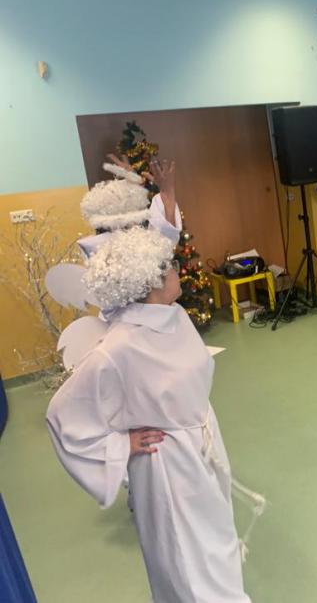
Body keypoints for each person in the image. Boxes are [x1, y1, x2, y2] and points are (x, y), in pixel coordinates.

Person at [47, 225, 253, 602]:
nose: (177, 269)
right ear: (150, 281)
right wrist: (120, 444)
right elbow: (64, 415)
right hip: (167, 465)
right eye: (170, 265)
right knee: (186, 559)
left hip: (202, 448)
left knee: (215, 544)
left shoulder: (175, 316)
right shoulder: (119, 346)